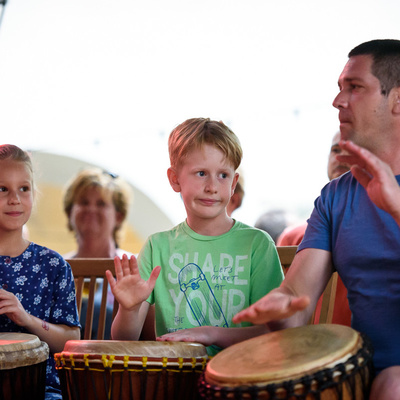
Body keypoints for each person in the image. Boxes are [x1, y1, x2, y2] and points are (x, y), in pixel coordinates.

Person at [233, 39, 400, 400]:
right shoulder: (337, 196)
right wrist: (277, 308)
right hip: (355, 378)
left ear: (398, 100)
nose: (338, 101)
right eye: (340, 89)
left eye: (354, 88)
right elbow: (295, 302)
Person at [106, 117, 284, 356]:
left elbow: (273, 332)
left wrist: (212, 334)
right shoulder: (157, 246)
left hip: (239, 375)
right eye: (201, 173)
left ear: (234, 184)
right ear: (174, 179)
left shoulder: (257, 245)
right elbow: (123, 340)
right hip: (175, 380)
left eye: (223, 175)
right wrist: (128, 309)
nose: (212, 186)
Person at [0, 144, 80, 399]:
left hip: (41, 388)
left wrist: (27, 319)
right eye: (2, 189)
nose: (15, 199)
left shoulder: (53, 265)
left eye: (23, 189)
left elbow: (70, 340)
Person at [63, 168, 155, 340]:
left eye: (101, 204)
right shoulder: (57, 267)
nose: (91, 209)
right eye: (83, 202)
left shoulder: (135, 267)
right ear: (70, 212)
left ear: (118, 216)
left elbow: (151, 337)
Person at [277, 131, 352, 326]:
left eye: (351, 149)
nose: (340, 156)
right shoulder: (292, 236)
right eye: (335, 149)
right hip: (306, 347)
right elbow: (285, 304)